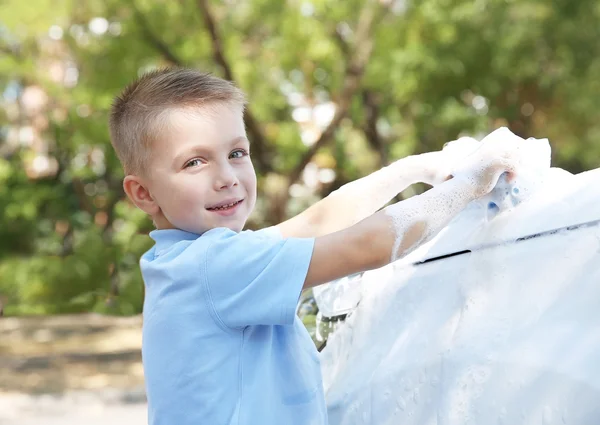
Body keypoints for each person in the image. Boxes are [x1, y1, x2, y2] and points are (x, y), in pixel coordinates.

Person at [108, 67, 517, 425]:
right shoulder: (213, 266)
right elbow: (367, 246)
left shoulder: (188, 261)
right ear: (143, 193)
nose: (227, 177)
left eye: (236, 152)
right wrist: (465, 188)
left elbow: (315, 222)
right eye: (194, 162)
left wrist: (413, 169)